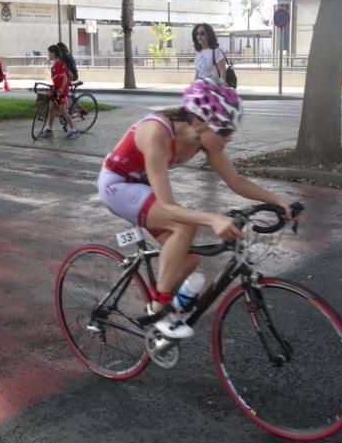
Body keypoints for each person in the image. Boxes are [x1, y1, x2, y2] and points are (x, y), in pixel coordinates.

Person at [97, 78, 293, 339]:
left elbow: (235, 181)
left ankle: (166, 313)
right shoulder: (156, 133)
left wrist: (277, 200)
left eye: (231, 131)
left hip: (144, 188)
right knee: (183, 225)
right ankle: (159, 308)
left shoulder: (204, 139)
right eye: (224, 131)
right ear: (199, 122)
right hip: (118, 186)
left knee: (188, 260)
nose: (229, 138)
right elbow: (167, 206)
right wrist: (212, 219)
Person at [40, 44, 80, 139]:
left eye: (49, 53)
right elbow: (57, 78)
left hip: (61, 91)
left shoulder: (59, 64)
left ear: (54, 53)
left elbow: (65, 78)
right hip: (56, 89)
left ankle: (74, 130)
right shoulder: (55, 64)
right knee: (51, 109)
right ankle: (49, 129)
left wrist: (61, 88)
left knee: (63, 111)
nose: (48, 55)